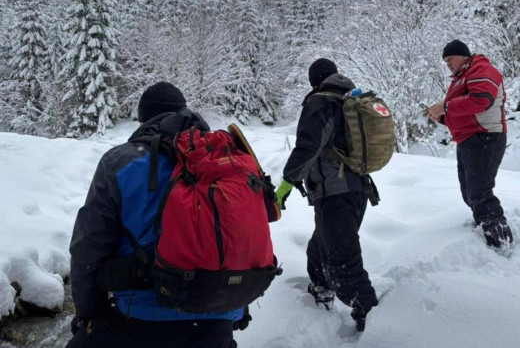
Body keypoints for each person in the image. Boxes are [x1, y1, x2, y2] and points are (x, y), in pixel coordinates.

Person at [66, 82, 246, 348]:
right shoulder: (226, 161)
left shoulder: (119, 162)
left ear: (142, 120)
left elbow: (88, 247)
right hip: (215, 316)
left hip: (136, 319)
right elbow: (243, 238)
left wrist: (86, 312)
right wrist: (238, 306)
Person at [275, 59, 378, 331]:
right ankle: (321, 292)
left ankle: (376, 323)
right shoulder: (348, 100)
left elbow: (308, 146)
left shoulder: (321, 102)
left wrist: (285, 184)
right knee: (320, 247)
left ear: (314, 81)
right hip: (357, 190)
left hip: (336, 192)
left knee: (342, 263)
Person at [427, 40, 513, 249]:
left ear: (464, 55)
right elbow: (464, 112)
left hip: (484, 137)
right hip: (469, 139)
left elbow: (481, 100)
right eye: (445, 60)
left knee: (479, 191)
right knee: (469, 191)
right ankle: (486, 230)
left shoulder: (481, 69)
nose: (447, 63)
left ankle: (501, 243)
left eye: (450, 58)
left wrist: (445, 106)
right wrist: (441, 117)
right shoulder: (460, 78)